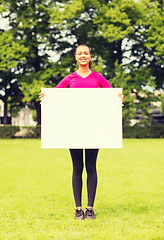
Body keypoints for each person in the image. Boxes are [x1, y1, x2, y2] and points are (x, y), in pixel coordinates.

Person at [39, 44, 124, 220]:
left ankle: (90, 208)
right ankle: (78, 209)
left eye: (86, 53)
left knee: (91, 167)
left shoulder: (98, 78)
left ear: (90, 56)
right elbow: (55, 97)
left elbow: (111, 97)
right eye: (80, 53)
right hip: (73, 129)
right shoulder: (69, 79)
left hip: (94, 128)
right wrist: (45, 97)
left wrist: (119, 98)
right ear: (75, 57)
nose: (83, 55)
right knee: (77, 167)